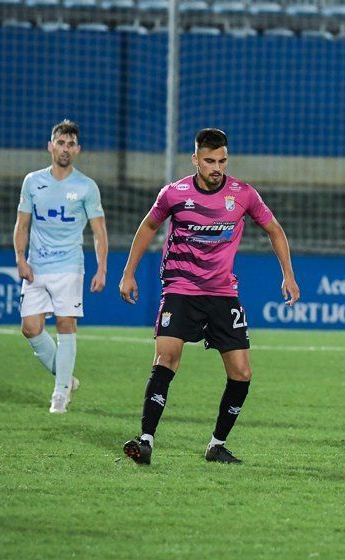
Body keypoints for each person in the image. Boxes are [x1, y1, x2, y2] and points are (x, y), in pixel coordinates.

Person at [119, 128, 300, 465]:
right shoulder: (174, 194)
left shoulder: (243, 194)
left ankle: (216, 445)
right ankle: (145, 440)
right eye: (209, 160)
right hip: (181, 290)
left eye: (222, 160)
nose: (217, 167)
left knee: (242, 372)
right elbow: (148, 227)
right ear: (195, 159)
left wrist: (288, 274)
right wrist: (129, 272)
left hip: (221, 293)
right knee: (166, 359)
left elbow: (274, 229)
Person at [13, 119, 108, 414]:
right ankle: (67, 379)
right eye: (60, 143)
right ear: (50, 146)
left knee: (66, 325)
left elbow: (99, 231)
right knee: (30, 328)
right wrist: (20, 258)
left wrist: (101, 268)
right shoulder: (32, 181)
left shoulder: (86, 187)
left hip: (69, 266)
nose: (65, 149)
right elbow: (22, 224)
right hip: (37, 266)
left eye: (70, 144)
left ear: (77, 150)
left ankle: (59, 394)